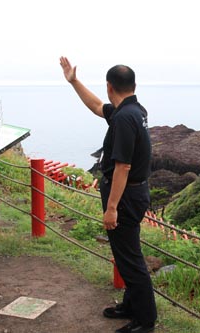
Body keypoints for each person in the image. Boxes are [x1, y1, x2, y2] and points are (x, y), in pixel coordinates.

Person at [60, 56, 157, 333]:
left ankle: (145, 320)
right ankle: (131, 306)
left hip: (126, 196)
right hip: (134, 193)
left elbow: (123, 166)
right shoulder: (134, 110)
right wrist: (74, 81)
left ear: (109, 87)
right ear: (133, 86)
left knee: (130, 258)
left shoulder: (125, 118)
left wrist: (112, 207)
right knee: (126, 253)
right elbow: (95, 106)